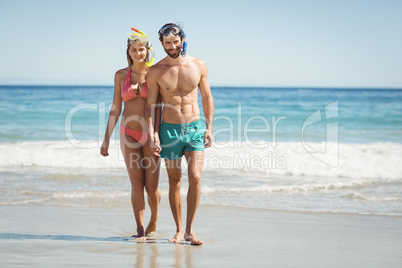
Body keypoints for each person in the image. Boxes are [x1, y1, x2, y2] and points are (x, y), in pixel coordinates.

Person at [145, 23, 214, 245]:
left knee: (195, 176)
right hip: (169, 130)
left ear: (183, 39)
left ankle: (190, 231)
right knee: (174, 180)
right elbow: (152, 105)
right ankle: (178, 230)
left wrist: (209, 127)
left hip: (194, 128)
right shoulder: (156, 71)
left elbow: (206, 97)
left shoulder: (199, 65)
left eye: (176, 42)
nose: (172, 46)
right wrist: (153, 133)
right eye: (167, 43)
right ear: (162, 44)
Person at [100, 27, 162, 241]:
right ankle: (140, 229)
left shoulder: (155, 73)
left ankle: (154, 218)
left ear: (147, 50)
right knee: (136, 183)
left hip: (150, 134)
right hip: (128, 133)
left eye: (142, 49)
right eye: (134, 50)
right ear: (129, 52)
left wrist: (156, 134)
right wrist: (106, 139)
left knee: (152, 186)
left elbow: (160, 107)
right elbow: (115, 107)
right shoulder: (120, 75)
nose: (138, 53)